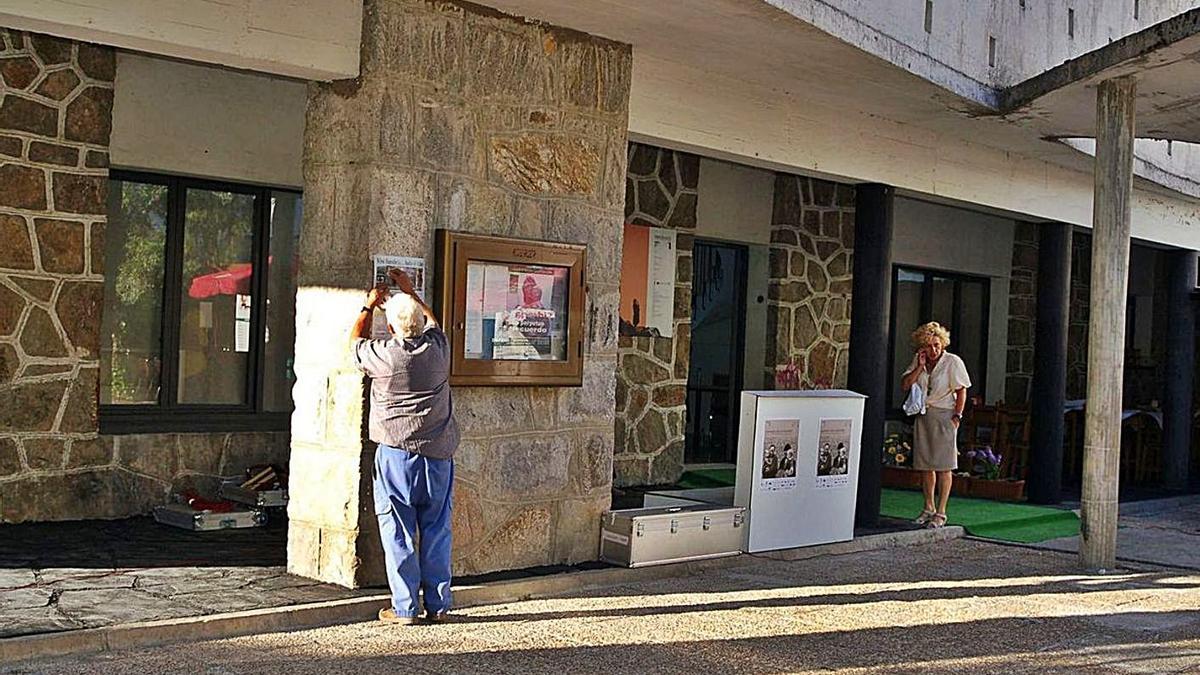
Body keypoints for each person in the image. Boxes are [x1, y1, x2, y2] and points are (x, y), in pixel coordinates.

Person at [350, 268, 460, 625]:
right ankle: (439, 605)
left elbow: (353, 344)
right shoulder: (438, 349)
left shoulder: (385, 355)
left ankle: (405, 607)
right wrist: (412, 293)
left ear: (393, 327)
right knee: (437, 529)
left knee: (397, 530)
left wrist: (367, 308)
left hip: (396, 455)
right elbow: (435, 322)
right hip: (438, 455)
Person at [901, 321, 971, 529]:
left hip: (944, 415)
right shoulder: (919, 360)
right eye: (929, 345)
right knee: (926, 465)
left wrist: (957, 416)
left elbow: (961, 390)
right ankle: (928, 507)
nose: (933, 350)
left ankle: (941, 512)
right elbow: (906, 384)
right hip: (924, 415)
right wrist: (920, 366)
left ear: (943, 344)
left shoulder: (953, 362)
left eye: (937, 345)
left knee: (944, 465)